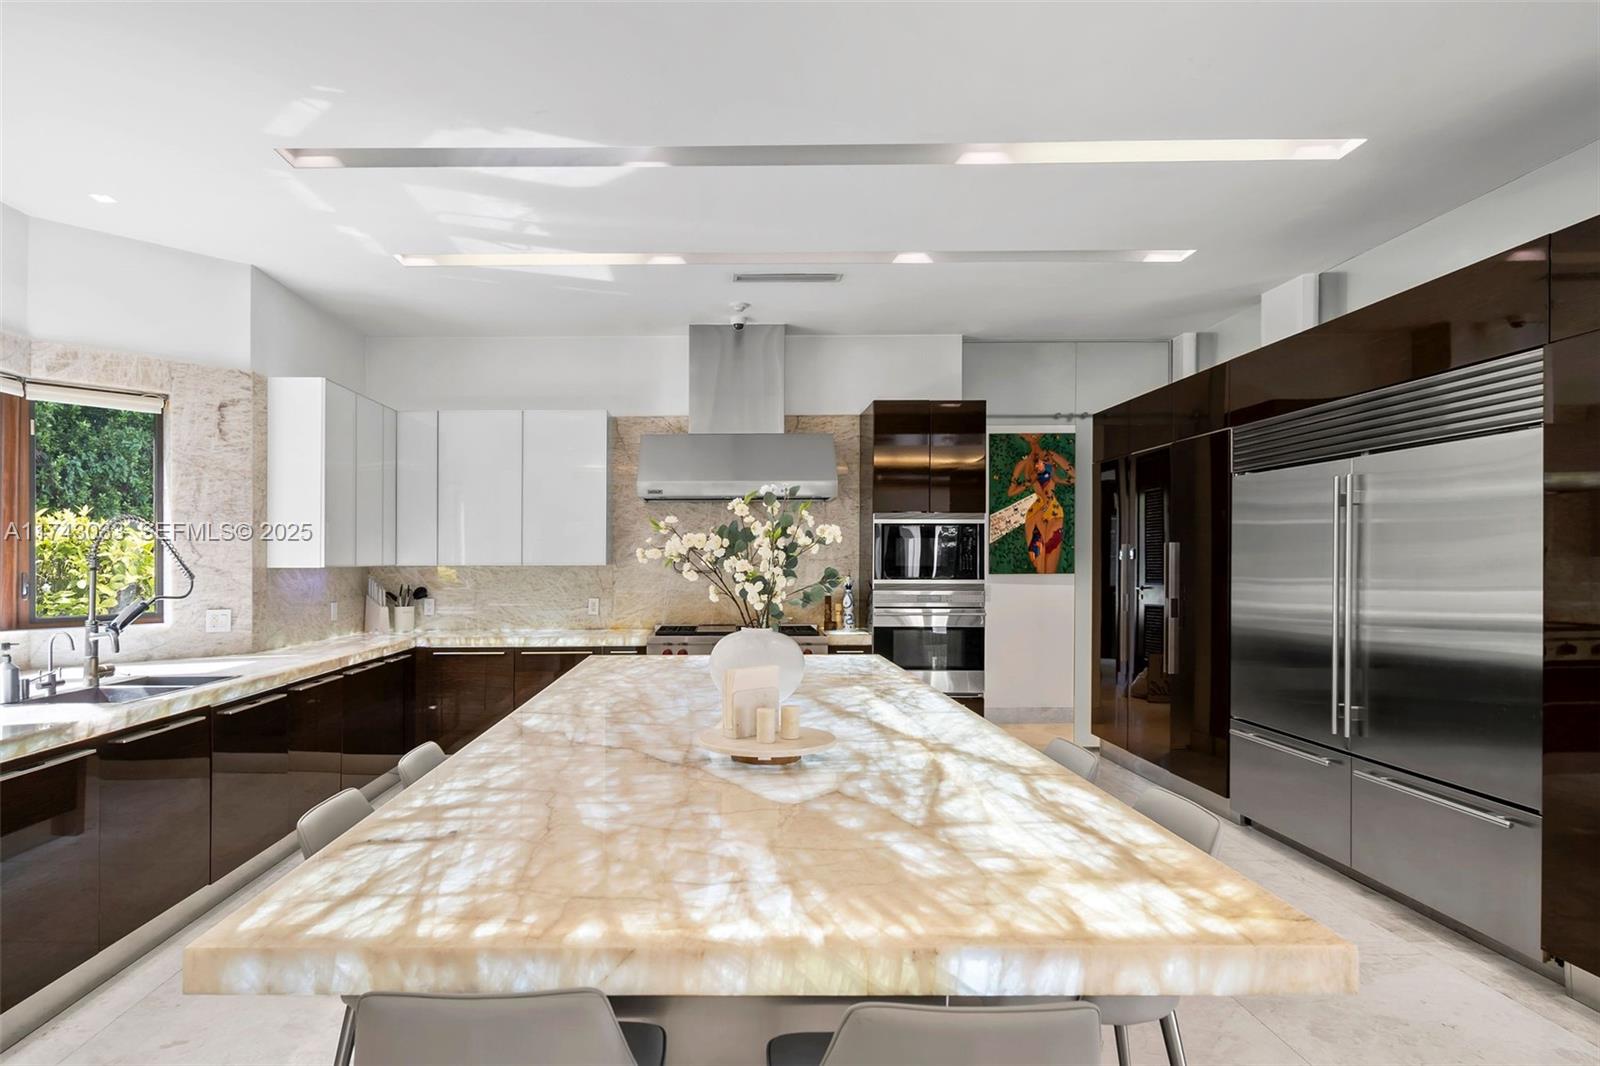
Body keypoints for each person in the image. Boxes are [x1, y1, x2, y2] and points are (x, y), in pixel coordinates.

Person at [1004, 433, 1076, 574]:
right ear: (1024, 437)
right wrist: (1030, 480)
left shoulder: (1051, 456)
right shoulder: (1023, 463)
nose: (1032, 436)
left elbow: (1075, 476)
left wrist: (1058, 479)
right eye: (1028, 435)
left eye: (1035, 434)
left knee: (1052, 562)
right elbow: (1011, 492)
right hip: (1036, 512)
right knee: (1039, 562)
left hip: (1054, 510)